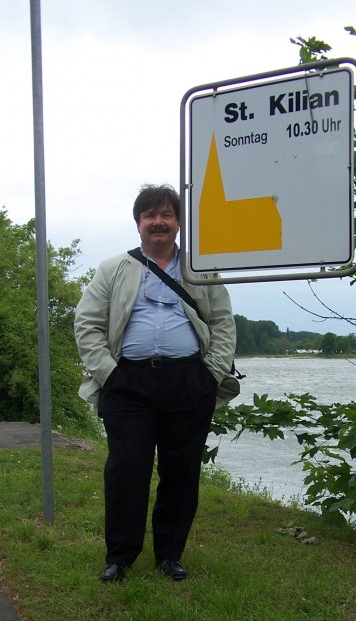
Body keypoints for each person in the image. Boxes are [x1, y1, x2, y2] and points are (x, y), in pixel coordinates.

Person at [74, 184, 238, 582]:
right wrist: (109, 374)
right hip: (128, 383)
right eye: (150, 215)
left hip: (188, 382)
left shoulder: (202, 268)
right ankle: (120, 557)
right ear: (138, 223)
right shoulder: (113, 269)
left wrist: (208, 375)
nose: (158, 222)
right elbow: (87, 324)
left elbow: (223, 325)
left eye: (166, 215)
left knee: (181, 472)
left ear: (178, 223)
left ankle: (169, 555)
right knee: (126, 470)